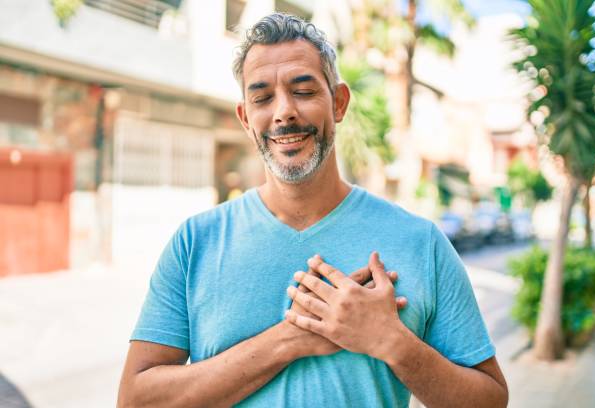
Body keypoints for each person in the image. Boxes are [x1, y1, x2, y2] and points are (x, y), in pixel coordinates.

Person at [117, 13, 508, 408]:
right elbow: (136, 401)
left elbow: (489, 400)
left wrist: (390, 341)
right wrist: (290, 340)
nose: (283, 112)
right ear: (245, 119)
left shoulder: (420, 242)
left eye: (303, 91)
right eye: (262, 98)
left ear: (338, 103)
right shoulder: (195, 243)